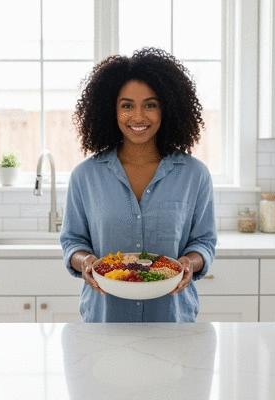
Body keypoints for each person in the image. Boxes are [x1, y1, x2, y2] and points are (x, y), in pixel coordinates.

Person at [60, 47, 217, 322]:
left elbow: (203, 241)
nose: (138, 117)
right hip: (105, 320)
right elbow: (73, 241)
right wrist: (84, 261)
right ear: (111, 109)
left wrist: (190, 263)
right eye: (127, 105)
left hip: (171, 321)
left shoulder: (195, 175)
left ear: (167, 108)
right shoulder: (85, 176)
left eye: (150, 104)